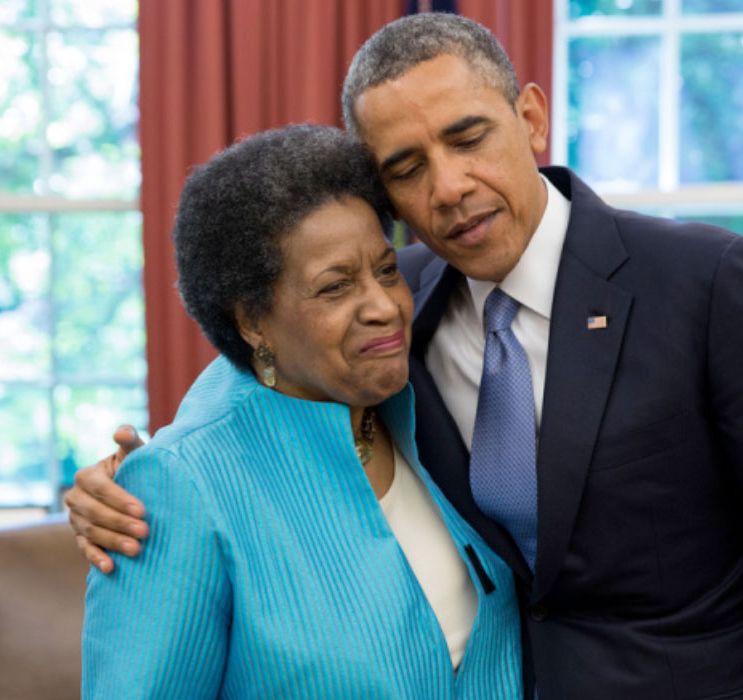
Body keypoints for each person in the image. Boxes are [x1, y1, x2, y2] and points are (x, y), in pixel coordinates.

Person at [69, 13, 743, 699]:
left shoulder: (711, 285)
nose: (449, 187)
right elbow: (270, 370)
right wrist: (128, 480)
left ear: (531, 117)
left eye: (468, 137)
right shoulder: (401, 301)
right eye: (407, 167)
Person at [81, 123, 522, 699]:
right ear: (251, 320)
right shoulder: (179, 488)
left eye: (387, 270)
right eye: (335, 288)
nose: (384, 307)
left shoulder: (419, 397)